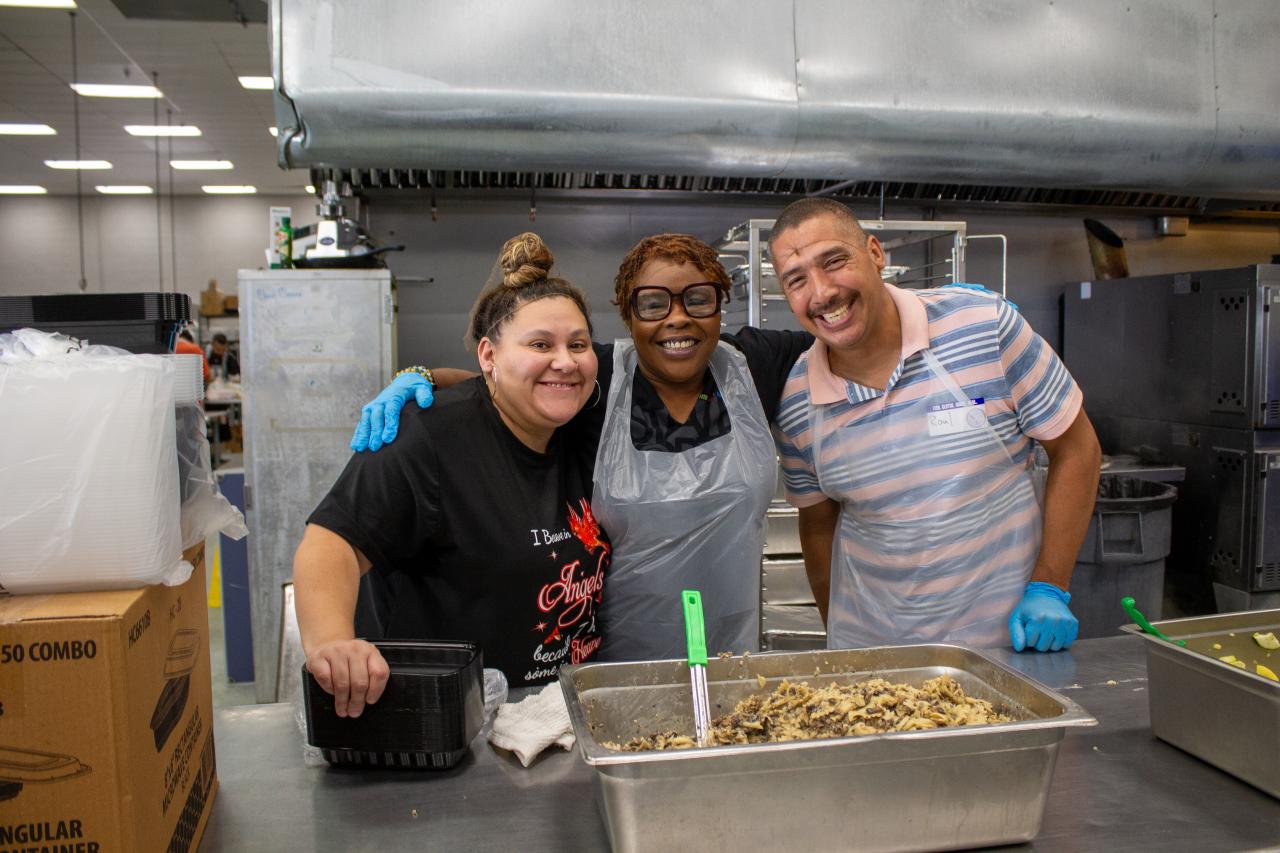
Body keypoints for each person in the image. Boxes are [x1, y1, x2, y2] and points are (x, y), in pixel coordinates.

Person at [354, 234, 811, 662]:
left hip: (733, 648)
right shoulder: (601, 378)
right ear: (628, 315)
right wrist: (423, 378)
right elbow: (510, 383)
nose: (678, 317)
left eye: (699, 298)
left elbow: (847, 339)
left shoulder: (754, 366)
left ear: (719, 305)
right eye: (653, 303)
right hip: (617, 660)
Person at [293, 233, 609, 718]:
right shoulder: (428, 439)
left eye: (578, 344)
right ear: (488, 356)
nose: (564, 361)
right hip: (445, 721)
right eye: (540, 344)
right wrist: (334, 643)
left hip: (555, 716)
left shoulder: (584, 427)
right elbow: (331, 543)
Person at [768, 197, 1101, 653]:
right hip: (875, 661)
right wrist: (839, 637)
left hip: (1003, 645)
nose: (822, 292)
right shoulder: (799, 401)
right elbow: (819, 525)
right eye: (797, 280)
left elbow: (1077, 448)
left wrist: (1049, 586)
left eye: (834, 261)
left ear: (875, 253)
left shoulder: (983, 327)